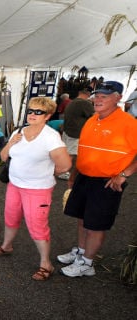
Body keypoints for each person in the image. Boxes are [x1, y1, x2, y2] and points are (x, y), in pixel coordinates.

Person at [58, 81, 137, 278]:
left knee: (96, 224)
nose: (98, 99)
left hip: (106, 181)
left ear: (118, 98)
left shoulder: (129, 123)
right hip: (84, 177)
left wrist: (124, 174)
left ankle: (87, 263)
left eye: (105, 96)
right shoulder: (92, 120)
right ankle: (81, 252)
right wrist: (74, 175)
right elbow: (83, 152)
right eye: (97, 95)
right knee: (83, 219)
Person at [0, 97, 71, 281]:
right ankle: (7, 246)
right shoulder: (19, 131)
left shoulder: (50, 136)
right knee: (11, 217)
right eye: (31, 111)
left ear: (48, 115)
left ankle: (45, 264)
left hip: (37, 189)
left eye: (38, 112)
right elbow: (3, 156)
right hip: (15, 185)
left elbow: (65, 165)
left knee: (37, 226)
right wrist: (11, 143)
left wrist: (47, 174)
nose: (33, 114)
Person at [61, 86, 94, 187]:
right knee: (71, 153)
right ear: (88, 94)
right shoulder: (84, 103)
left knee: (67, 152)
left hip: (67, 130)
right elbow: (94, 116)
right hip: (75, 132)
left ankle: (63, 169)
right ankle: (63, 171)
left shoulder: (72, 102)